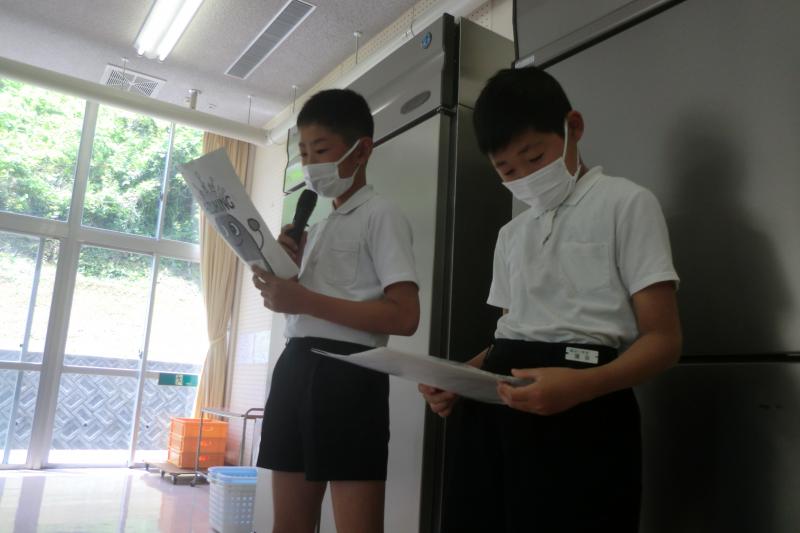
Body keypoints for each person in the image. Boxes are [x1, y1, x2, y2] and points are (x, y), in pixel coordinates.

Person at [419, 66, 682, 532]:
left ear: (573, 128)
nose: (524, 177)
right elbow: (509, 334)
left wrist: (581, 386)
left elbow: (663, 340)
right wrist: (462, 377)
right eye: (507, 169)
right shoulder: (510, 234)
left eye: (534, 157)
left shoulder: (626, 202)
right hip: (494, 411)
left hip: (585, 405)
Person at [252, 88, 420, 533]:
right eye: (303, 153)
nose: (310, 165)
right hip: (295, 365)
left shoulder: (382, 214)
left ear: (361, 150)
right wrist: (281, 281)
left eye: (320, 150)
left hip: (350, 373)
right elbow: (302, 309)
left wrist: (303, 300)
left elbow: (404, 317)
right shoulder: (318, 226)